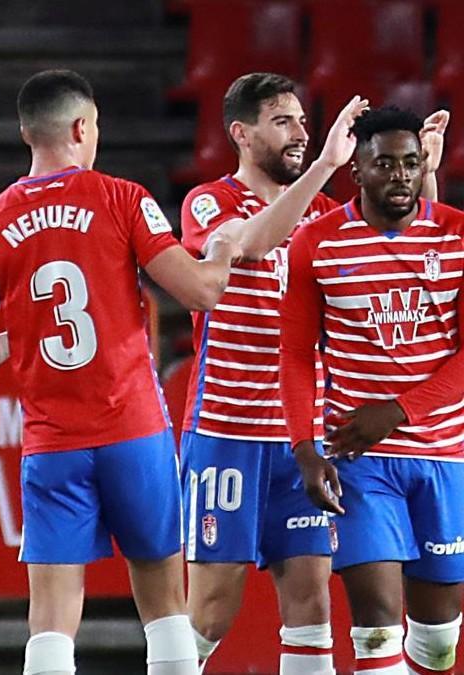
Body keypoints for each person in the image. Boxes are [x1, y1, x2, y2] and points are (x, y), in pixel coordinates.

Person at [0, 68, 239, 675]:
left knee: (52, 616)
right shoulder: (121, 198)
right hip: (133, 429)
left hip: (53, 441)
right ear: (83, 128)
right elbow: (201, 292)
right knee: (162, 598)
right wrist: (222, 248)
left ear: (27, 131)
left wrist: (14, 339)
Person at [178, 73, 366, 675]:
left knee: (311, 602)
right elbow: (252, 244)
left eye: (304, 123)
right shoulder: (209, 201)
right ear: (241, 132)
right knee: (211, 611)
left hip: (300, 439)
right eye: (282, 122)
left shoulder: (331, 215)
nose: (300, 135)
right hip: (227, 431)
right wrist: (325, 168)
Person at [280, 106, 464, 675]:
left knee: (438, 641)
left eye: (411, 163)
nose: (401, 176)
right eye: (384, 164)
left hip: (445, 454)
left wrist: (400, 408)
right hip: (360, 457)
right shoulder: (316, 243)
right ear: (356, 171)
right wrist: (305, 448)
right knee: (377, 626)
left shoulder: (457, 235)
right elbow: (294, 355)